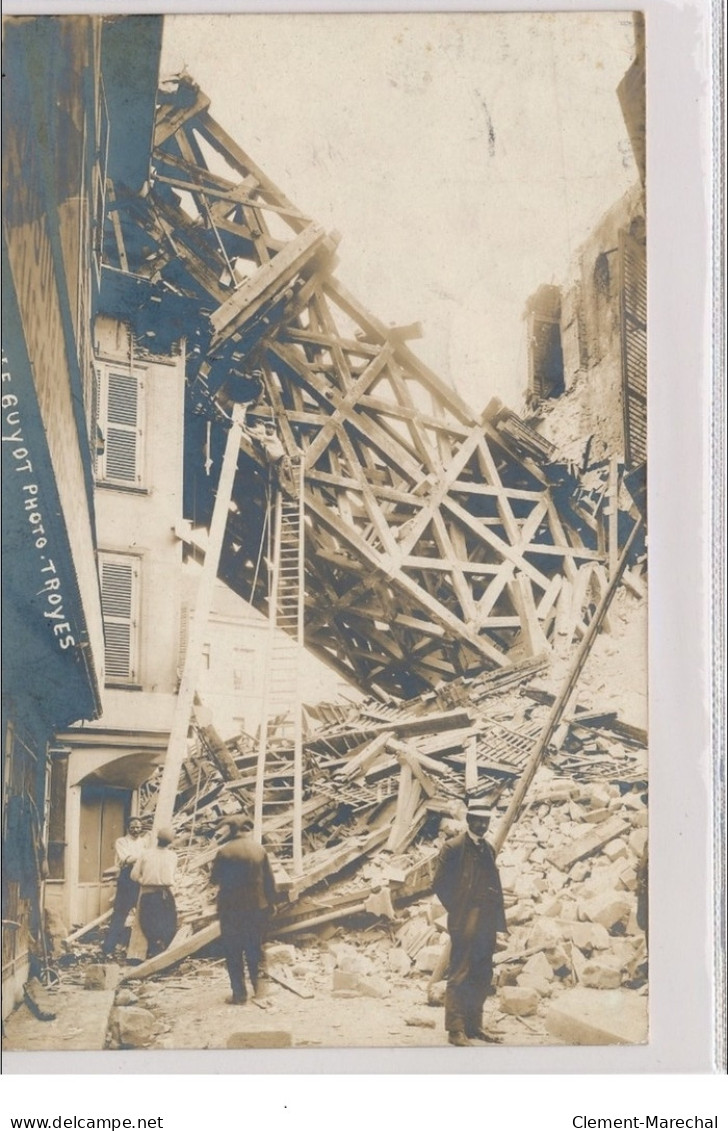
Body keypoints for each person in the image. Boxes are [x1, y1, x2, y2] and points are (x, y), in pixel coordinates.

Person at [432, 799, 507, 1046]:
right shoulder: (452, 848)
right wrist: (459, 909)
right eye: (477, 820)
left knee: (482, 972)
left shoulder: (488, 849)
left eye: (486, 821)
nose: (482, 825)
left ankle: (474, 1026)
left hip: (486, 920)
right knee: (460, 972)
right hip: (465, 919)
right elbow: (440, 884)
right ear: (468, 821)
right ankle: (455, 1030)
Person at [210, 816, 278, 1004]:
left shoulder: (224, 852)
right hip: (257, 907)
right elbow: (269, 881)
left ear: (231, 830)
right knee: (255, 947)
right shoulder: (259, 849)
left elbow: (214, 879)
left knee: (233, 950)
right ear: (246, 830)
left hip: (231, 909)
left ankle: (239, 995)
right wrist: (272, 903)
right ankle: (260, 990)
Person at [102, 817, 151, 957]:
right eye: (132, 827)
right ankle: (108, 948)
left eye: (138, 827)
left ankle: (144, 949)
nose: (135, 830)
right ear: (127, 828)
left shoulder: (144, 842)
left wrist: (143, 856)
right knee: (120, 913)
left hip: (141, 878)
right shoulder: (121, 841)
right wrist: (144, 855)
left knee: (144, 912)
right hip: (127, 879)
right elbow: (127, 859)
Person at [130, 826, 178, 959]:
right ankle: (163, 954)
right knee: (168, 924)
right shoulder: (173, 856)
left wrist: (143, 880)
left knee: (149, 925)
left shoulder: (146, 854)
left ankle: (155, 952)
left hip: (149, 894)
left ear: (157, 839)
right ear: (170, 842)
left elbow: (133, 875)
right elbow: (173, 875)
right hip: (165, 894)